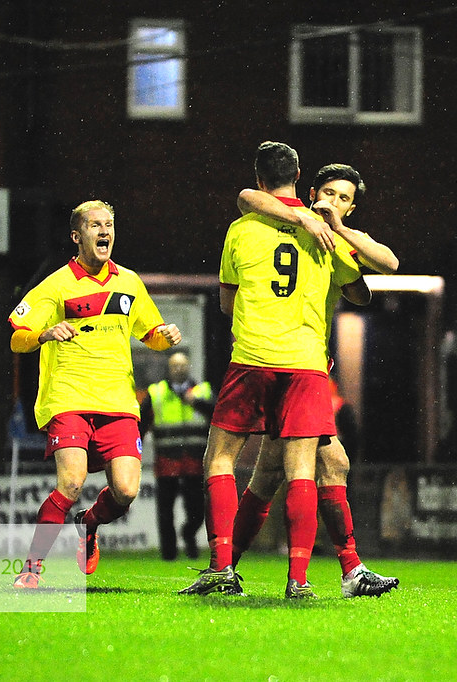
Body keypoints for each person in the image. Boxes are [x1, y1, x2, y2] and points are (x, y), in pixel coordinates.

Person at [178, 142, 366, 598]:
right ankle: (300, 580)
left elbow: (226, 301)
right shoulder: (324, 233)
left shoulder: (242, 230)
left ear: (259, 177)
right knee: (300, 470)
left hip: (254, 357)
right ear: (301, 175)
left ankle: (223, 568)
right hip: (305, 364)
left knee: (221, 460)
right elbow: (365, 287)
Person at [230, 163, 401, 597]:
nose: (333, 201)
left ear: (352, 206)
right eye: (327, 192)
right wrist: (311, 219)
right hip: (285, 364)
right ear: (310, 192)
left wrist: (339, 228)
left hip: (305, 368)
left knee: (271, 474)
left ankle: (224, 566)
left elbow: (389, 264)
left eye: (344, 197)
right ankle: (344, 571)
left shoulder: (335, 239)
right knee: (323, 465)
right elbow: (249, 197)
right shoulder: (287, 222)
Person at [8, 199, 182, 589]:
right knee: (71, 482)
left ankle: (88, 524)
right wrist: (44, 333)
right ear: (77, 236)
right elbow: (17, 339)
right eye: (94, 226)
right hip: (68, 399)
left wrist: (164, 336)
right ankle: (31, 569)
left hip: (119, 402)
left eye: (109, 225)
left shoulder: (129, 282)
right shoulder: (56, 285)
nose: (104, 232)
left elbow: (149, 335)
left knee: (126, 490)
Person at [138, 351, 213, 560]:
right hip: (166, 461)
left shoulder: (203, 390)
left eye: (182, 365)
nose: (179, 369)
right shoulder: (156, 392)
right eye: (175, 365)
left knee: (198, 510)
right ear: (169, 369)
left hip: (195, 462)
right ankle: (168, 554)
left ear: (188, 367)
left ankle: (189, 535)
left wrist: (196, 402)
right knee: (165, 511)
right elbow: (141, 426)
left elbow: (217, 412)